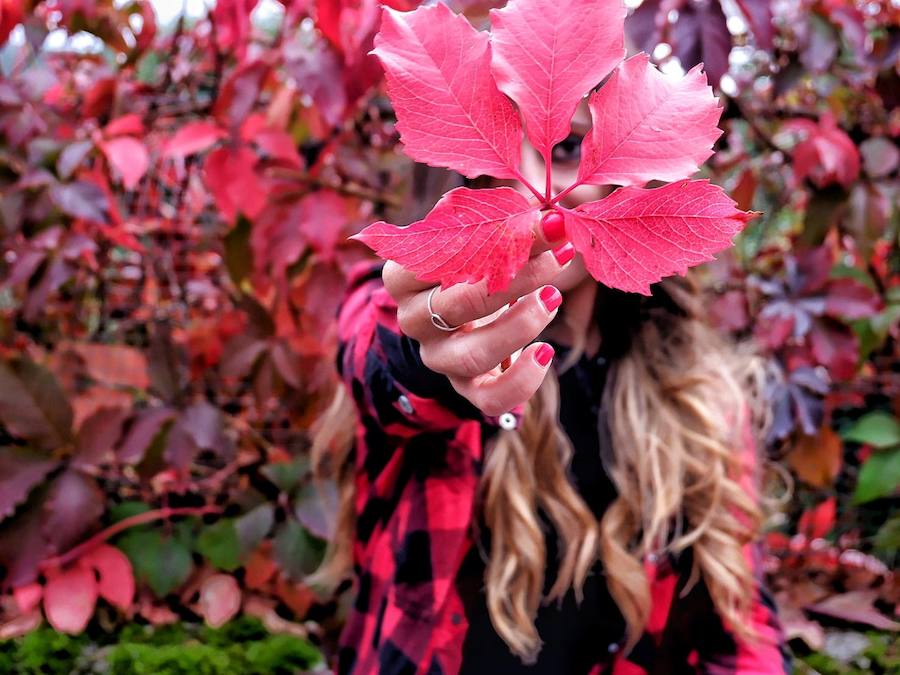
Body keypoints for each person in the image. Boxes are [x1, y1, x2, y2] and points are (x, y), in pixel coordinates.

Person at [312, 103, 792, 675]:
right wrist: (432, 355)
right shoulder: (401, 325)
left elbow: (740, 629)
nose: (533, 197)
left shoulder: (701, 394)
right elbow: (380, 357)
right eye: (485, 176)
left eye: (564, 150)